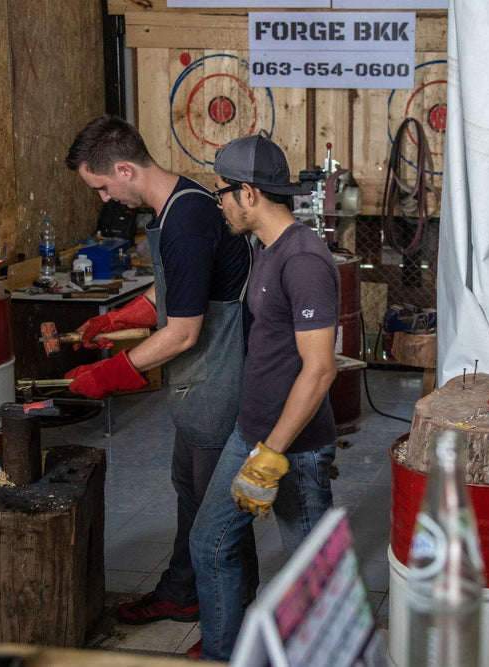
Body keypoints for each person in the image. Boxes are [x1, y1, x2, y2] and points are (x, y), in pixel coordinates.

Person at [63, 115, 260, 635]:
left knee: (220, 519)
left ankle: (232, 628)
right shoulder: (184, 200)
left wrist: (107, 375)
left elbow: (183, 332)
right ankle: (182, 594)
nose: (104, 199)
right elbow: (176, 289)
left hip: (218, 379)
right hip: (197, 385)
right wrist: (119, 317)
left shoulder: (185, 222)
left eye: (102, 186)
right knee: (191, 492)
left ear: (125, 169)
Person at [188, 134, 340, 661]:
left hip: (292, 448)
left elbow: (320, 371)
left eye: (222, 194)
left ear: (248, 194)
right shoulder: (263, 249)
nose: (219, 204)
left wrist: (272, 452)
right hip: (252, 433)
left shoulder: (303, 260)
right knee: (209, 544)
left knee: (312, 584)